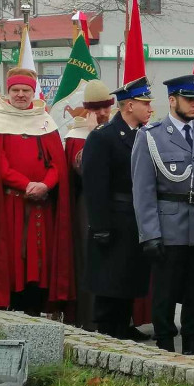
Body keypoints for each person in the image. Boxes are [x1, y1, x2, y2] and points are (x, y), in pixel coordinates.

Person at [132, 74, 194, 354]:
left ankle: (193, 343)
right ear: (173, 100)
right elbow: (143, 190)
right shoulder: (150, 136)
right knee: (164, 293)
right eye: (189, 100)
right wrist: (149, 233)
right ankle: (164, 344)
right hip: (168, 226)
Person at [0, 68, 72, 313]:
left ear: (33, 93)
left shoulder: (44, 121)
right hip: (8, 206)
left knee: (40, 261)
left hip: (41, 206)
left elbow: (57, 163)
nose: (21, 95)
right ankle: (10, 308)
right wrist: (26, 185)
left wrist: (46, 184)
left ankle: (35, 308)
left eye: (26, 90)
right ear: (8, 93)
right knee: (12, 260)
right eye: (16, 90)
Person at [82, 77, 153, 340]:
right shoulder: (104, 137)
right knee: (110, 277)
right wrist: (100, 225)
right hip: (113, 215)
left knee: (129, 275)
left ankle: (124, 323)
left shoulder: (145, 135)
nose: (150, 108)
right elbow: (95, 184)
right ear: (129, 106)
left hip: (137, 215)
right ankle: (108, 328)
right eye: (145, 103)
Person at [64, 79, 114, 331]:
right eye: (97, 108)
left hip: (115, 204)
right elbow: (84, 169)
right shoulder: (76, 137)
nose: (103, 113)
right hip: (88, 206)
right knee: (89, 259)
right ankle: (89, 319)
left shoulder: (115, 129)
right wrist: (94, 135)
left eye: (106, 107)